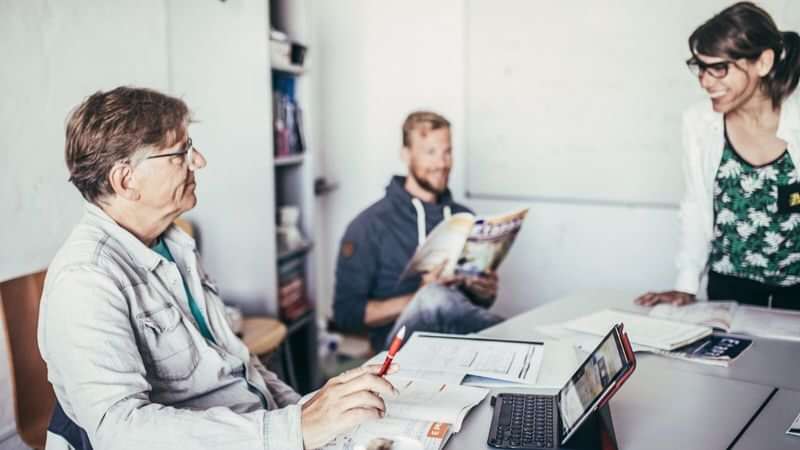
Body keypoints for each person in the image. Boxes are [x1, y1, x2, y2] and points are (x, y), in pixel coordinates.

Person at [38, 86, 396, 450]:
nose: (199, 161)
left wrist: (314, 413)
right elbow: (121, 431)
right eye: (181, 152)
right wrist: (293, 429)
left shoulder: (173, 244)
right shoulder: (85, 279)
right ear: (125, 180)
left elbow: (240, 364)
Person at [637, 2, 800, 309]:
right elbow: (696, 205)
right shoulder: (698, 122)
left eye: (719, 68)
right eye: (700, 66)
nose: (705, 81)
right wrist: (685, 285)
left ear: (763, 62)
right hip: (728, 288)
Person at [333, 111, 504, 351]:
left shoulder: (464, 217)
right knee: (434, 297)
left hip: (458, 343)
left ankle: (517, 344)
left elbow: (473, 308)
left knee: (442, 300)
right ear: (406, 154)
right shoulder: (368, 225)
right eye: (431, 152)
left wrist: (485, 292)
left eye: (447, 152)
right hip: (398, 349)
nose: (442, 163)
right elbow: (346, 315)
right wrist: (419, 296)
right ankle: (519, 341)